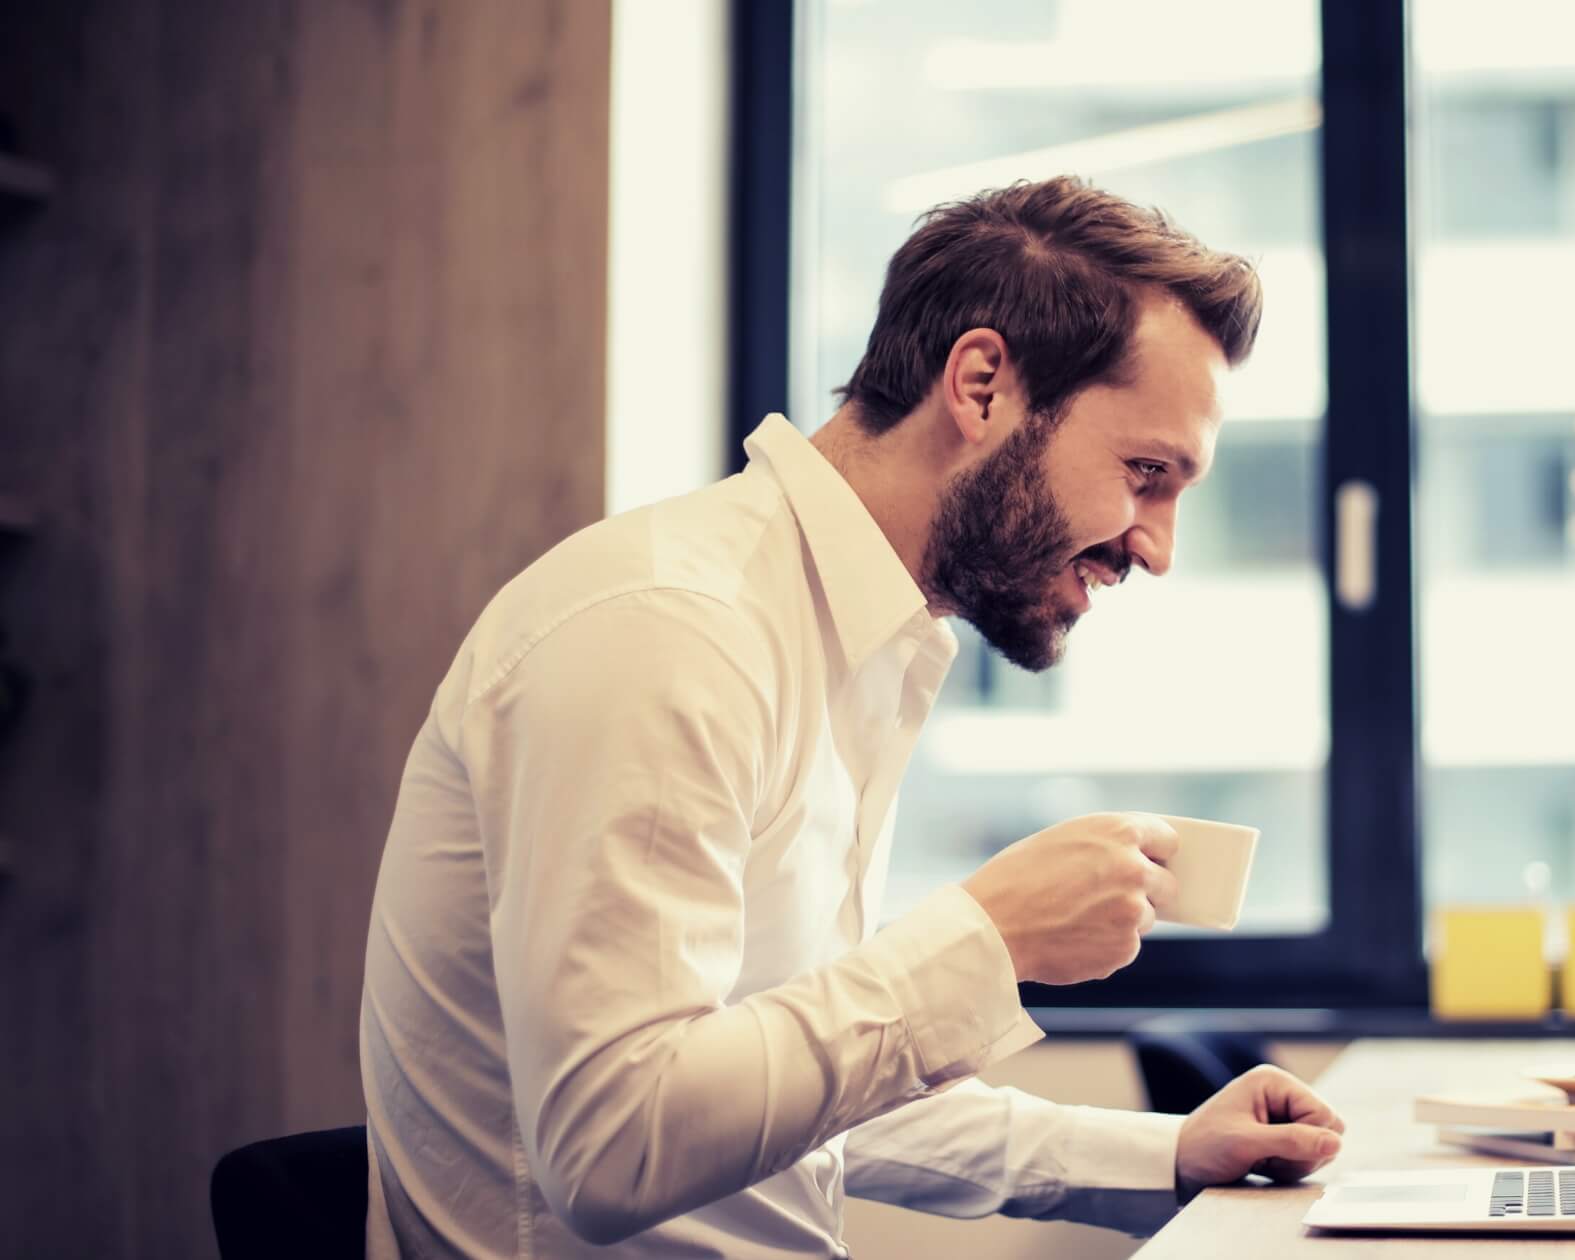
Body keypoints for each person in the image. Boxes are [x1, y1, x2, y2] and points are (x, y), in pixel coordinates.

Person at [360, 175, 1346, 1258]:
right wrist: (986, 939)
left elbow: (784, 1099)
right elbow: (615, 1147)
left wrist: (1156, 1158)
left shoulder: (858, 638)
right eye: (1144, 473)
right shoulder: (670, 631)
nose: (1156, 545)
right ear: (978, 387)